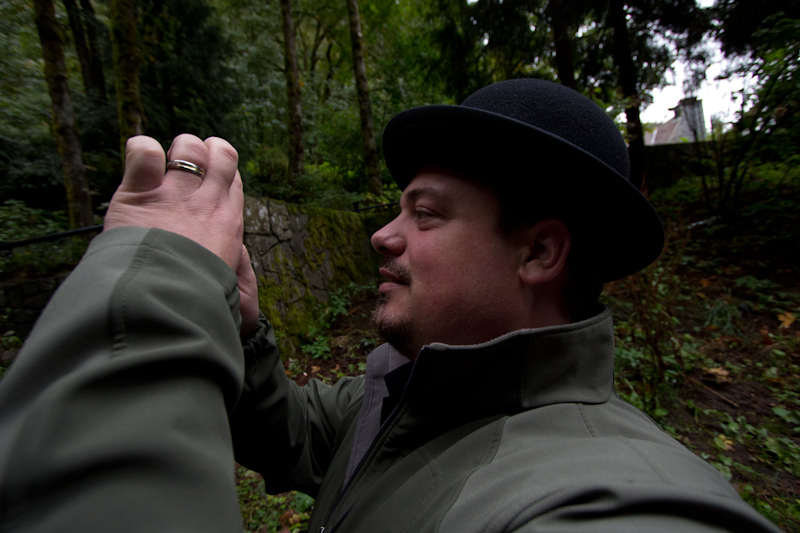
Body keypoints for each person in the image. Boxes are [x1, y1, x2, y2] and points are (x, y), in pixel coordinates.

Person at [0, 79, 780, 532]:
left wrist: (154, 279)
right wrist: (241, 326)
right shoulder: (404, 391)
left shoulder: (608, 494)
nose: (382, 235)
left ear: (539, 252)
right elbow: (296, 434)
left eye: (426, 214)